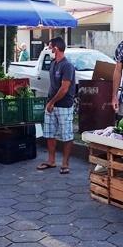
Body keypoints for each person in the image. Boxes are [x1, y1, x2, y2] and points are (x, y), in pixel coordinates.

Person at [37, 37, 76, 174]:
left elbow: (64, 88)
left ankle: (65, 164)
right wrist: (50, 101)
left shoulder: (67, 66)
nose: (49, 49)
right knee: (49, 133)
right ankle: (51, 161)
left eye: (50, 46)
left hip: (64, 105)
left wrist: (52, 102)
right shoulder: (53, 63)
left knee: (66, 135)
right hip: (51, 103)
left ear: (56, 48)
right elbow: (53, 85)